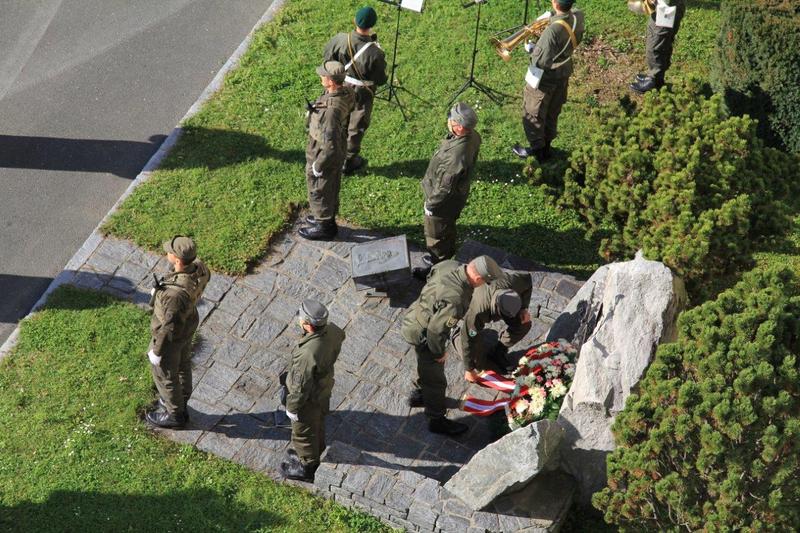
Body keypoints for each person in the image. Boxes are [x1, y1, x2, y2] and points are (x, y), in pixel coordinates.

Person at [401, 255, 503, 436]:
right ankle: (436, 419)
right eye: (484, 282)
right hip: (425, 334)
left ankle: (421, 392)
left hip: (415, 316)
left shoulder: (450, 265)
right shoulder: (457, 298)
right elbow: (435, 331)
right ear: (478, 278)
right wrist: (438, 353)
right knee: (436, 380)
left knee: (424, 365)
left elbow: (431, 274)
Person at [145, 236, 210, 428]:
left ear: (178, 260)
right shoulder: (199, 267)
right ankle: (181, 398)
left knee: (164, 373)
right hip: (188, 323)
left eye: (170, 252)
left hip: (172, 336)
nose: (167, 253)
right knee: (182, 363)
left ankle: (175, 413)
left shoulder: (174, 295)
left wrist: (157, 352)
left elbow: (169, 327)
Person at [414, 103, 481, 280]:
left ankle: (437, 268)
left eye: (452, 120)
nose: (448, 121)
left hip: (443, 203)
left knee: (436, 234)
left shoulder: (455, 158)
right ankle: (446, 253)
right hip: (456, 196)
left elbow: (444, 188)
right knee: (447, 228)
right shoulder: (472, 136)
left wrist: (431, 205)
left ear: (459, 127)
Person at [280, 300, 345, 482]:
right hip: (323, 388)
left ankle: (308, 466)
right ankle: (318, 448)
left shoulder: (308, 354)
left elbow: (300, 388)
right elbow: (341, 336)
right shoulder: (332, 331)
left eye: (301, 317)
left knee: (303, 432)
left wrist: (292, 408)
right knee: (318, 422)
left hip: (308, 399)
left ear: (308, 325)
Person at [512, 0, 584, 161]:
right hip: (563, 71)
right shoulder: (578, 15)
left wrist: (531, 49)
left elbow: (540, 62)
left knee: (533, 113)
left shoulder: (552, 31)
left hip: (545, 78)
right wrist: (551, 16)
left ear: (554, 3)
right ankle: (547, 145)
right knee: (553, 110)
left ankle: (538, 151)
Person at [323, 6, 388, 174]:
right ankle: (348, 160)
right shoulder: (375, 53)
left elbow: (328, 60)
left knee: (337, 118)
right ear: (373, 24)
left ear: (354, 20)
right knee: (356, 125)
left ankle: (329, 150)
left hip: (339, 85)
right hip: (361, 93)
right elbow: (380, 79)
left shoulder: (339, 39)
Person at [300, 61, 355, 241]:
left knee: (320, 187)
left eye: (324, 75)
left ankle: (325, 226)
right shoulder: (345, 91)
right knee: (328, 187)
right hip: (335, 145)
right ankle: (322, 217)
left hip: (324, 152)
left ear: (331, 81)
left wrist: (319, 164)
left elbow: (330, 145)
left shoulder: (331, 111)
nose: (320, 76)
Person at [455, 270, 534, 381]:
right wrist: (469, 369)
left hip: (503, 304)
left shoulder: (516, 281)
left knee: (524, 323)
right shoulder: (478, 312)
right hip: (467, 304)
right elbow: (467, 338)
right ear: (497, 309)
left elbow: (528, 281)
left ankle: (498, 351)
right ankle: (454, 335)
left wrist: (523, 308)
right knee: (478, 364)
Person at [630, 0, 685, 93]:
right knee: (663, 42)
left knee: (656, 43)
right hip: (670, 5)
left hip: (665, 7)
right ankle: (658, 79)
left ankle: (653, 81)